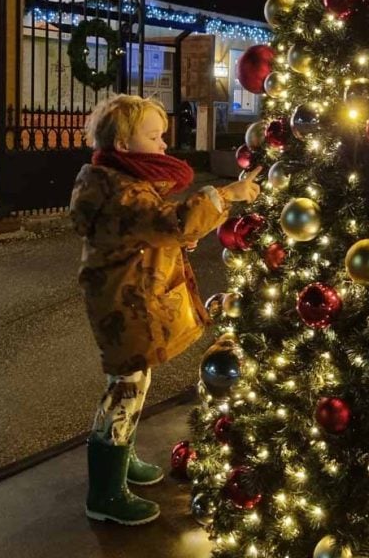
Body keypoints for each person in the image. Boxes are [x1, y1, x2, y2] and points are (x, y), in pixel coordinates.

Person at [69, 94, 260, 525]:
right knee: (126, 387)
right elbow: (168, 223)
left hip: (130, 298)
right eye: (153, 137)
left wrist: (173, 238)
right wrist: (226, 195)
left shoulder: (118, 182)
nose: (162, 146)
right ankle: (105, 492)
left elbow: (155, 229)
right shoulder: (118, 190)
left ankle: (123, 455)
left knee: (136, 379)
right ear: (122, 144)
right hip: (124, 303)